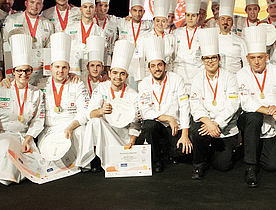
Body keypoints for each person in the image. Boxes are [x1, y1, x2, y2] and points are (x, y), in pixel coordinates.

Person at [0, 34, 45, 185]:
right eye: (19, 71)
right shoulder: (0, 90)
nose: (23, 74)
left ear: (31, 71)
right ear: (13, 71)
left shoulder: (37, 93)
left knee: (38, 165)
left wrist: (29, 138)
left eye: (27, 71)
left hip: (22, 136)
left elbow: (38, 120)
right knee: (8, 151)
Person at [237, 25, 276, 188]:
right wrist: (271, 111)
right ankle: (250, 167)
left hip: (270, 126)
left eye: (260, 57)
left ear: (266, 56)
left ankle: (250, 149)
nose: (257, 61)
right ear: (247, 58)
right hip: (249, 121)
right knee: (254, 116)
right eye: (253, 58)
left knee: (271, 166)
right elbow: (246, 102)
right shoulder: (242, 74)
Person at [80, 39, 141, 171]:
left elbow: (136, 123)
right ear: (109, 73)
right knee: (93, 123)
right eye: (114, 73)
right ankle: (92, 160)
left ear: (126, 76)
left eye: (122, 73)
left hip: (123, 135)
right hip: (105, 130)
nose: (118, 77)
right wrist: (101, 110)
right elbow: (90, 114)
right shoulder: (102, 88)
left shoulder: (133, 95)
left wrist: (132, 140)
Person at [189, 28, 240, 179]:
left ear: (218, 58)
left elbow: (233, 105)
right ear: (203, 60)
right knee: (196, 132)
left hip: (225, 127)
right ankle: (198, 164)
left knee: (222, 166)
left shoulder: (230, 77)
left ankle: (218, 152)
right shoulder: (198, 78)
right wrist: (208, 123)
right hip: (206, 124)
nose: (210, 61)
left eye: (213, 57)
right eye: (206, 58)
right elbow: (195, 104)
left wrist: (216, 123)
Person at [137, 36, 192, 173]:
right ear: (149, 68)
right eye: (153, 66)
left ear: (165, 66)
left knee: (183, 154)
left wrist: (185, 133)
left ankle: (170, 151)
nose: (157, 69)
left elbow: (185, 106)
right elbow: (145, 111)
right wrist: (168, 117)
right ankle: (157, 160)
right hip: (158, 125)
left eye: (160, 65)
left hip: (175, 127)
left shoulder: (177, 79)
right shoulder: (144, 83)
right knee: (149, 125)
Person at [37, 32, 90, 169]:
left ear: (69, 69)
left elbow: (85, 111)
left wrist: (71, 127)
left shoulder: (77, 83)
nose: (60, 71)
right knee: (49, 164)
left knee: (82, 132)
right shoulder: (41, 84)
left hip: (71, 127)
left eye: (64, 67)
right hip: (50, 130)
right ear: (50, 68)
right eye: (57, 67)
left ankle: (81, 164)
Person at [3, 0, 54, 84]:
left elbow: (50, 48)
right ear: (26, 3)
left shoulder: (48, 24)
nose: (34, 6)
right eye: (32, 2)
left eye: (38, 3)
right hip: (19, 73)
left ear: (42, 6)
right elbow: (5, 46)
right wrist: (8, 73)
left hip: (40, 73)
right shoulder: (12, 20)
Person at [65, 0, 104, 76]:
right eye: (85, 7)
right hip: (73, 70)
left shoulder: (100, 31)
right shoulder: (70, 28)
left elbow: (103, 54)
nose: (88, 9)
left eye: (91, 7)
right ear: (80, 9)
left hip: (91, 72)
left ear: (95, 9)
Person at [117, 0, 153, 89]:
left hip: (141, 65)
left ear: (144, 12)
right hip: (126, 63)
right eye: (135, 10)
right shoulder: (123, 23)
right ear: (130, 11)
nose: (137, 13)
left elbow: (163, 23)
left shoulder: (148, 25)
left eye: (140, 10)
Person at [173, 0, 204, 92]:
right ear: (185, 16)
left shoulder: (203, 33)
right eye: (188, 15)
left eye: (193, 15)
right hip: (180, 73)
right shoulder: (176, 33)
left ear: (198, 17)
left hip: (198, 73)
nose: (190, 18)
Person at [140, 0, 176, 71]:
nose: (160, 24)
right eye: (158, 21)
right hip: (149, 75)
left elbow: (174, 59)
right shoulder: (144, 38)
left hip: (167, 74)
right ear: (153, 21)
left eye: (163, 21)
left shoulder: (171, 38)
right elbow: (140, 60)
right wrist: (141, 79)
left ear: (167, 22)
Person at [95, 0, 120, 68]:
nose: (103, 8)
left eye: (106, 5)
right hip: (94, 60)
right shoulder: (92, 22)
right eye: (101, 5)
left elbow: (113, 44)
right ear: (96, 7)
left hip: (107, 61)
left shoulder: (113, 22)